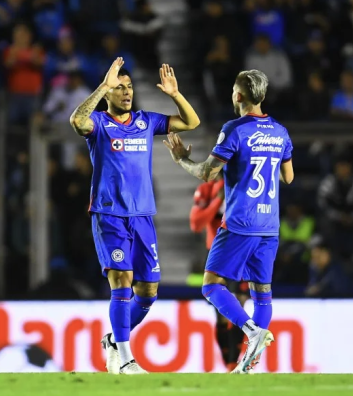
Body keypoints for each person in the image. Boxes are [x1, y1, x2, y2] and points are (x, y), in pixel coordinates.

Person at [69, 58, 200, 374]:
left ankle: (114, 340)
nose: (126, 93)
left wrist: (175, 94)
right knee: (122, 281)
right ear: (109, 94)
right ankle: (125, 358)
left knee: (148, 291)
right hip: (109, 215)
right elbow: (76, 121)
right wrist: (103, 85)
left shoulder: (146, 121)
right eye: (120, 88)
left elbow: (191, 122)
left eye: (129, 88)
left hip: (142, 216)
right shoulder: (100, 124)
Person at [164, 69, 294, 373]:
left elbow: (208, 173)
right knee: (262, 292)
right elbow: (288, 177)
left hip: (240, 223)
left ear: (238, 96)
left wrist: (182, 159)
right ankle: (252, 360)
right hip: (269, 225)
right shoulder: (280, 131)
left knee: (210, 286)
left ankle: (251, 332)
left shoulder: (235, 129)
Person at [189, 175, 248, 371]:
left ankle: (233, 363)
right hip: (216, 252)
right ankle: (229, 364)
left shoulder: (243, 184)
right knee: (223, 314)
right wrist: (218, 201)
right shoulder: (207, 189)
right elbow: (196, 224)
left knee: (239, 302)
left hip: (240, 250)